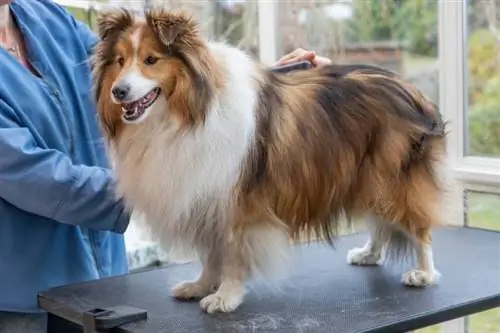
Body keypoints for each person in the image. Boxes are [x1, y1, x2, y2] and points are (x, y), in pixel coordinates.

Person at [0, 1, 331, 332]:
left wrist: (269, 84)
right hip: (26, 299)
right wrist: (166, 189)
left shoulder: (49, 18)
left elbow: (151, 76)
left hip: (104, 288)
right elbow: (33, 177)